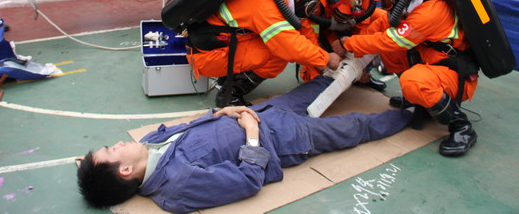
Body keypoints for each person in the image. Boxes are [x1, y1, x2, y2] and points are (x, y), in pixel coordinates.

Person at [77, 75, 414, 212]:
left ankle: (360, 69)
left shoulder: (149, 143)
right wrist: (252, 132)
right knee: (354, 127)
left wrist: (221, 111)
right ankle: (414, 113)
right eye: (112, 150)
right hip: (284, 138)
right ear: (124, 170)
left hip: (260, 113)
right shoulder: (179, 186)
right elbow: (248, 180)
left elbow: (189, 128)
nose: (118, 143)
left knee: (322, 84)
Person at [331, 0, 479, 157]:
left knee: (413, 81)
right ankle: (418, 100)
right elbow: (382, 25)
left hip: (454, 74)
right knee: (392, 53)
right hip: (433, 62)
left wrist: (350, 44)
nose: (387, 1)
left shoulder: (429, 12)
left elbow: (391, 40)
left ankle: (461, 126)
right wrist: (353, 43)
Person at [186, 0, 343, 107]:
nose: (312, 9)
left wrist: (316, 65)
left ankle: (228, 77)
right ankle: (230, 94)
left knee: (279, 44)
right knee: (278, 53)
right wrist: (326, 58)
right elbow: (288, 45)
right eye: (313, 4)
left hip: (216, 45)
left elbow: (302, 28)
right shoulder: (263, 2)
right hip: (207, 57)